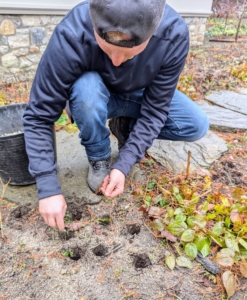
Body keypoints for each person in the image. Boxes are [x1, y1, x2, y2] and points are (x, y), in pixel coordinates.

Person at [23, 0, 209, 231]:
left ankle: (125, 127)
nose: (116, 62)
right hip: (94, 95)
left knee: (196, 124)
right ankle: (99, 156)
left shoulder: (173, 35)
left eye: (129, 55)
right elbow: (39, 115)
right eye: (106, 50)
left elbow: (155, 110)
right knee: (86, 89)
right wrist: (48, 187)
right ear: (93, 27)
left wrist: (124, 164)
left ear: (153, 34)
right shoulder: (72, 32)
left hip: (141, 93)